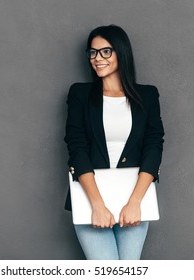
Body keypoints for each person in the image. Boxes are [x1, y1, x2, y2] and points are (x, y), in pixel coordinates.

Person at [64, 25, 165, 260]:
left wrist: (135, 202)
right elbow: (76, 147)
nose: (97, 59)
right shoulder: (80, 94)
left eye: (105, 52)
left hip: (134, 199)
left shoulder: (147, 95)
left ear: (122, 53)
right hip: (91, 198)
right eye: (92, 53)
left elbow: (154, 146)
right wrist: (97, 206)